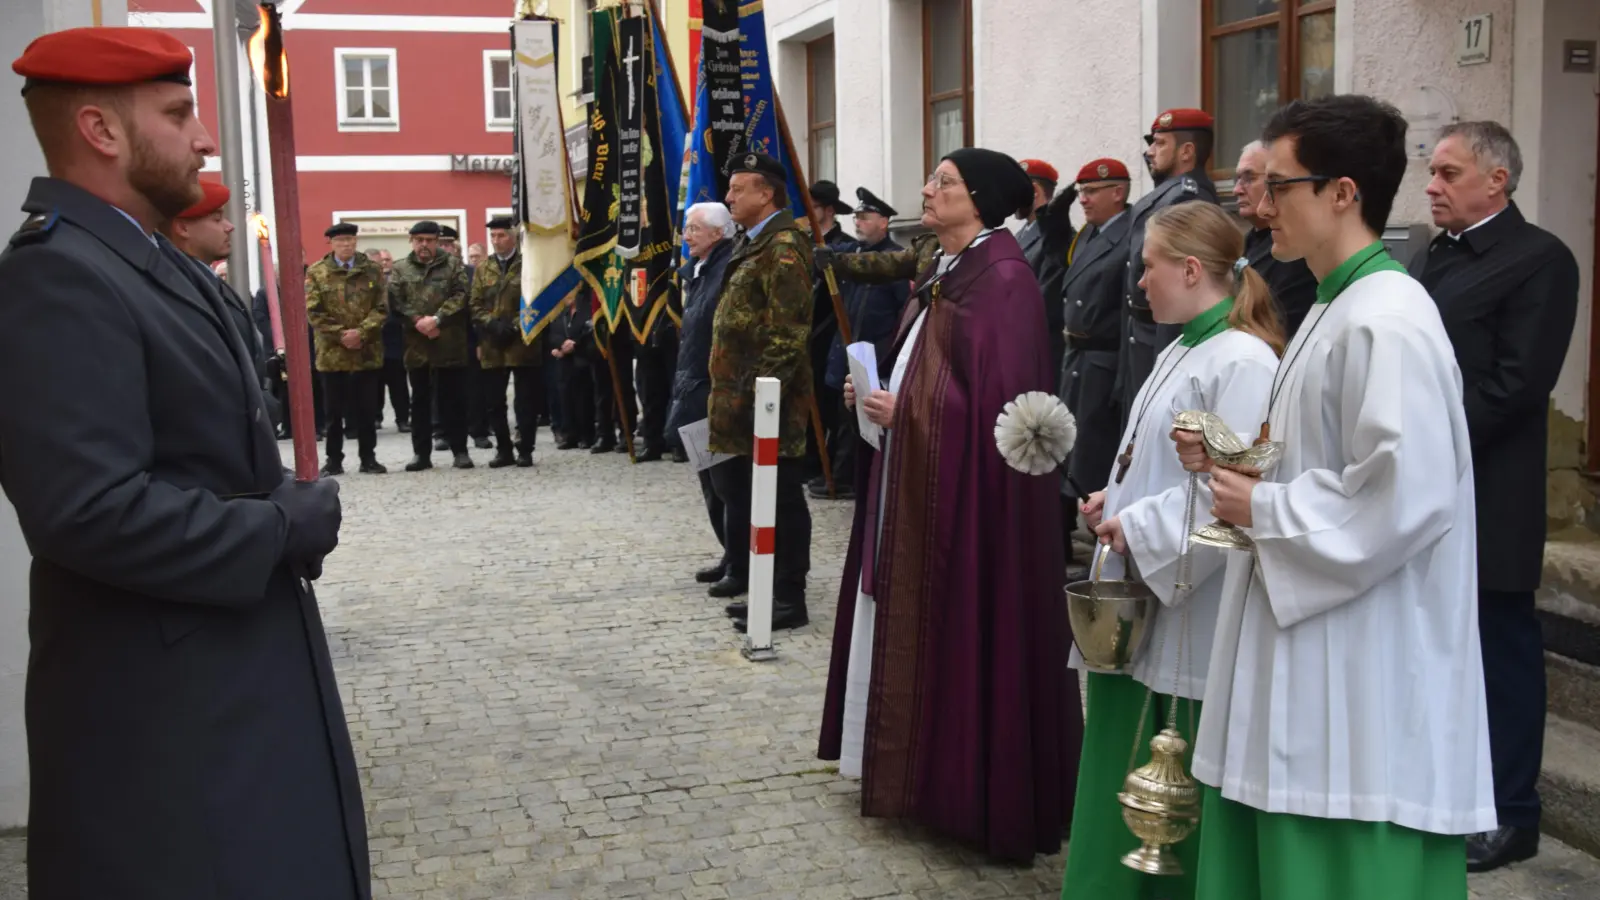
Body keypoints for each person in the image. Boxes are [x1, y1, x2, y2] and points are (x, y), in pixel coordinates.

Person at [0, 27, 366, 899]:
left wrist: (277, 500)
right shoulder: (59, 276)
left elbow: (204, 450)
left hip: (220, 682)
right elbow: (87, 510)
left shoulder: (144, 258)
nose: (204, 139)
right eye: (177, 113)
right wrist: (280, 525)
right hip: (161, 714)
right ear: (101, 130)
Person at [1172, 94, 1494, 900]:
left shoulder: (1386, 320)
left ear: (1343, 192)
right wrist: (1235, 457)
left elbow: (1406, 496)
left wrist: (1266, 507)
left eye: (1278, 186)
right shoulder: (1333, 303)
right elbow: (1325, 450)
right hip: (1308, 644)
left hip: (1360, 671)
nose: (1257, 203)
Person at [817, 147, 1079, 862]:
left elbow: (1002, 404)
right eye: (932, 179)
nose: (928, 191)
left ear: (983, 200)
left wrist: (912, 407)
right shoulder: (944, 266)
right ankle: (919, 773)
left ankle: (968, 788)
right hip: (913, 473)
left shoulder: (1003, 279)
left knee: (970, 626)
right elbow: (931, 360)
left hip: (973, 505)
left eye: (945, 184)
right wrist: (875, 393)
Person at [1061, 201, 1282, 900]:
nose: (1139, 285)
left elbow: (1230, 488)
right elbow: (1158, 464)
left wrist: (1141, 529)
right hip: (1147, 582)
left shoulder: (1243, 360)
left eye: (1148, 267)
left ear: (1191, 269)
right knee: (1120, 764)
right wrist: (1113, 499)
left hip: (1191, 605)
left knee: (1170, 781)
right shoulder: (1187, 344)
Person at [1411, 121, 1580, 873]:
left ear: (1496, 181)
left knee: (1499, 649)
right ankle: (1451, 793)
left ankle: (1513, 813)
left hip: (1491, 490)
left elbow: (1518, 384)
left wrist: (1420, 445)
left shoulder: (1540, 259)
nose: (1432, 186)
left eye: (1448, 173)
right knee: (1441, 648)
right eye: (1432, 172)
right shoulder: (1432, 255)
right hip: (1425, 488)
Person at [707, 152, 814, 631]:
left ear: (766, 193)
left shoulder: (784, 247)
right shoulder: (752, 243)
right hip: (740, 399)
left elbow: (786, 335)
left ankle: (788, 598)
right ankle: (765, 589)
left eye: (738, 188)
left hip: (769, 405)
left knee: (781, 501)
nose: (728, 197)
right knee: (751, 499)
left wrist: (761, 404)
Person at [1119, 108, 1220, 423]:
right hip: (1141, 334)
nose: (1149, 151)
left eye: (1160, 143)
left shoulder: (1186, 199)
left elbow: (1181, 292)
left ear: (1187, 152)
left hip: (1159, 337)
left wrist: (1166, 362)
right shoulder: (1168, 194)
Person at [1060, 158, 1134, 568]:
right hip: (1077, 359)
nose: (1082, 200)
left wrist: (1122, 379)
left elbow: (1127, 316)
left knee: (1095, 464)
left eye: (1091, 192)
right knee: (1074, 456)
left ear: (1118, 193)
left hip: (1104, 364)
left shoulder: (1127, 235)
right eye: (1080, 192)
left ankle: (1106, 561)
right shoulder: (1089, 235)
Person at [813, 187, 909, 502]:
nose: (859, 222)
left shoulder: (895, 260)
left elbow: (902, 312)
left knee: (860, 420)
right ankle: (838, 473)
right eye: (856, 217)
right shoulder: (852, 255)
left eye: (866, 217)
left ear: (884, 222)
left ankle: (850, 477)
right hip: (845, 346)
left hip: (874, 350)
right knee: (839, 416)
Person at [163, 179, 278, 427]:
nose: (229, 227)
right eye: (216, 219)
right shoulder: (181, 288)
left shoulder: (206, 279)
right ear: (182, 228)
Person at [667, 202, 738, 587]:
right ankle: (730, 554)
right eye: (687, 228)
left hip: (713, 390)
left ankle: (740, 563)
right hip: (694, 387)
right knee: (710, 483)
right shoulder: (698, 270)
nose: (687, 235)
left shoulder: (727, 269)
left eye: (694, 229)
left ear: (718, 233)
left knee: (726, 483)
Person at [389, 220, 473, 470]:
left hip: (448, 342)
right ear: (411, 241)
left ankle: (460, 451)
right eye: (419, 240)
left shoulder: (453, 265)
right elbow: (395, 301)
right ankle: (421, 454)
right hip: (416, 345)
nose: (424, 245)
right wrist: (418, 321)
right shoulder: (400, 268)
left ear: (437, 241)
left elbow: (462, 295)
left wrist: (438, 319)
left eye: (429, 240)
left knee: (453, 399)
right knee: (420, 401)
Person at [306, 222, 387, 476]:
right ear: (331, 243)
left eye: (351, 240)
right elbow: (313, 311)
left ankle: (368, 458)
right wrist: (341, 334)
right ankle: (333, 460)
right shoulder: (317, 272)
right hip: (332, 353)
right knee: (333, 412)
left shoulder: (372, 270)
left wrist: (361, 332)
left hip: (366, 350)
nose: (347, 245)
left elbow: (382, 308)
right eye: (341, 241)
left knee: (366, 410)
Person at [470, 215, 542, 468]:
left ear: (513, 237)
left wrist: (513, 325)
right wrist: (491, 324)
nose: (497, 240)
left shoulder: (529, 265)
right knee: (493, 401)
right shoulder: (483, 268)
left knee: (525, 400)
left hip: (522, 340)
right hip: (492, 343)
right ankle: (503, 449)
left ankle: (525, 448)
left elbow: (536, 299)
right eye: (493, 236)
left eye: (501, 235)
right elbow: (475, 304)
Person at [1233, 141, 1317, 338]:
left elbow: (1278, 328)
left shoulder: (1293, 251)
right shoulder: (1247, 242)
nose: (1237, 189)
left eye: (1249, 178)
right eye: (1237, 179)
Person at [1015, 158, 1077, 378]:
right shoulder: (1021, 234)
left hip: (1039, 348)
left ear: (1033, 191)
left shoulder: (1056, 238)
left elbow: (1045, 298)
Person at [371, 248, 411, 432]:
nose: (381, 265)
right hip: (372, 342)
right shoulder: (364, 283)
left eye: (383, 261)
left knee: (398, 384)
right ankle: (375, 417)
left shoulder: (394, 282)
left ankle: (403, 419)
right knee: (374, 384)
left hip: (393, 340)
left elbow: (402, 308)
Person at [548, 292, 595, 449]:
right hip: (564, 362)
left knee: (583, 401)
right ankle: (569, 435)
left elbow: (589, 332)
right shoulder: (560, 314)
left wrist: (574, 345)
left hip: (582, 360)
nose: (567, 296)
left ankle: (586, 435)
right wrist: (561, 345)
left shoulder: (587, 311)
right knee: (565, 399)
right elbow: (553, 333)